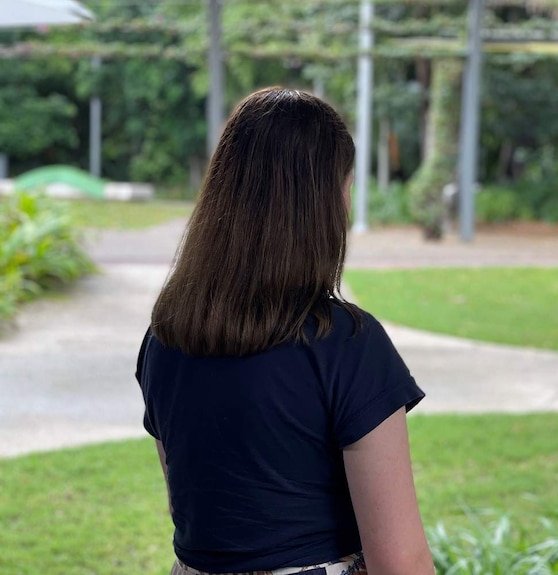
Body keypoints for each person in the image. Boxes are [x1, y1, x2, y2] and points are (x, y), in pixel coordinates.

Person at [134, 88, 434, 575]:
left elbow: (191, 509)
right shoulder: (347, 345)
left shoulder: (165, 337)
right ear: (324, 202)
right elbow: (400, 563)